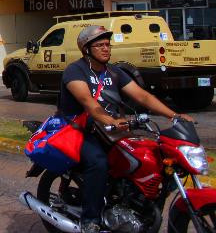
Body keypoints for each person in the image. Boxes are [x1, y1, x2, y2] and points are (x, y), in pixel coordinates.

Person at [60, 25, 194, 233]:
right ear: (86, 49)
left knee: (148, 156)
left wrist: (174, 116)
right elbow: (88, 102)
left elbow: (142, 96)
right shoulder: (75, 70)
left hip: (110, 130)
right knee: (98, 162)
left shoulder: (114, 72)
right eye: (100, 45)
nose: (106, 49)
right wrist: (109, 119)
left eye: (107, 44)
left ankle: (134, 203)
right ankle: (90, 219)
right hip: (79, 129)